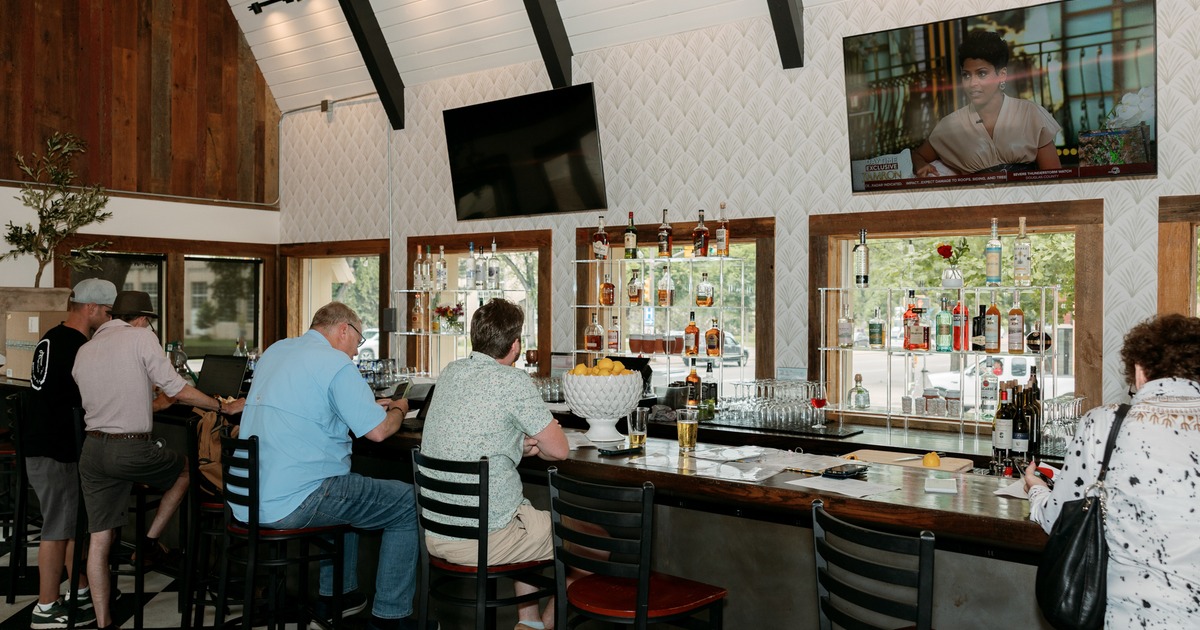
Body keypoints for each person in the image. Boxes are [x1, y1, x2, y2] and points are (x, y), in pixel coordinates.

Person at [237, 302, 434, 630]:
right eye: (357, 343)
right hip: (295, 501)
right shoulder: (334, 362)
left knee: (347, 487)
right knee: (408, 502)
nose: (356, 353)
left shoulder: (277, 350)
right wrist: (398, 408)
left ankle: (338, 598)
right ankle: (390, 619)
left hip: (250, 497)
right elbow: (379, 431)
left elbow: (306, 401)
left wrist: (365, 405)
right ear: (344, 329)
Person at [73, 291, 245, 630]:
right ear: (141, 318)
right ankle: (150, 543)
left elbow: (106, 400)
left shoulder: (86, 348)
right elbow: (178, 389)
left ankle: (104, 621)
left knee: (100, 538)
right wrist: (222, 406)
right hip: (131, 449)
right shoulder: (141, 337)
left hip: (92, 451)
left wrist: (152, 404)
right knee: (186, 469)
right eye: (148, 319)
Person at [1024, 314, 1200, 627]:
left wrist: (1035, 488)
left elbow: (1057, 518)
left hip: (1131, 618)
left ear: (1140, 371)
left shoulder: (1106, 425)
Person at [419, 298, 573, 630]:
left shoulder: (450, 372)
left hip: (436, 535)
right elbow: (559, 451)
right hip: (484, 540)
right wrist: (538, 441)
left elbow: (474, 432)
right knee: (589, 542)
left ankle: (528, 623)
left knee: (526, 515)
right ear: (515, 345)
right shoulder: (513, 381)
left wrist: (516, 443)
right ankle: (547, 626)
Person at [24, 279, 115, 629]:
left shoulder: (51, 337)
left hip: (39, 443)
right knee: (57, 529)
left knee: (69, 522)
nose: (107, 319)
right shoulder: (79, 346)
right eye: (106, 312)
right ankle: (45, 608)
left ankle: (78, 588)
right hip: (56, 449)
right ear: (91, 308)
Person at [911, 29, 1061, 176]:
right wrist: (921, 165)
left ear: (1001, 75)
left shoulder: (1029, 113)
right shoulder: (951, 125)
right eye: (966, 75)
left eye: (981, 73)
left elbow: (1055, 178)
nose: (972, 83)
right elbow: (917, 155)